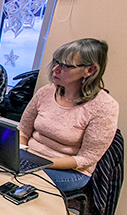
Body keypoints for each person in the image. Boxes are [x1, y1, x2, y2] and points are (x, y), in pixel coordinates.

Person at [18, 38, 119, 193]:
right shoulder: (46, 91)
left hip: (69, 171)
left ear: (90, 70)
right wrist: (22, 151)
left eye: (64, 65)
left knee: (19, 180)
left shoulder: (105, 107)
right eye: (56, 62)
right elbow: (23, 130)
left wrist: (39, 163)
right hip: (30, 158)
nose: (55, 69)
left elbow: (86, 159)